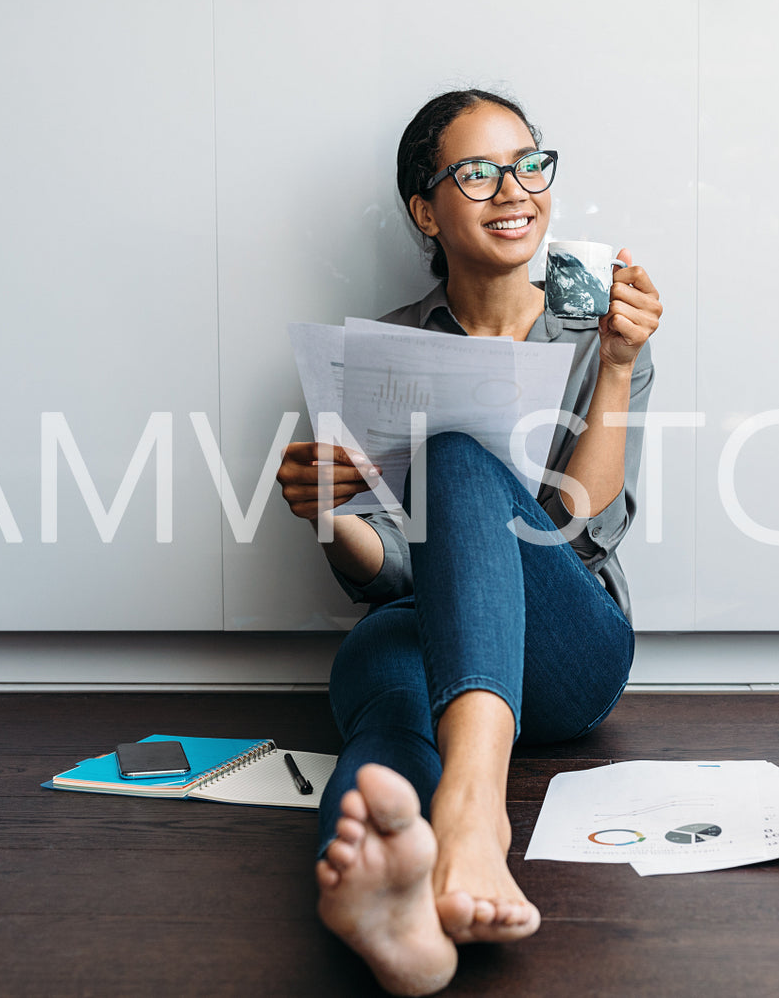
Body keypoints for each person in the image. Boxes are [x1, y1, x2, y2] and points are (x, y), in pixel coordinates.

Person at [276, 88, 661, 996]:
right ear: (426, 210)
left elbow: (585, 528)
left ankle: (474, 812)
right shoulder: (387, 349)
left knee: (455, 454)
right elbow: (384, 573)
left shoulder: (601, 321)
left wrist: (613, 365)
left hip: (565, 645)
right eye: (477, 172)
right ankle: (387, 901)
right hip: (420, 630)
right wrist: (331, 513)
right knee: (385, 698)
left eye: (528, 164)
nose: (513, 189)